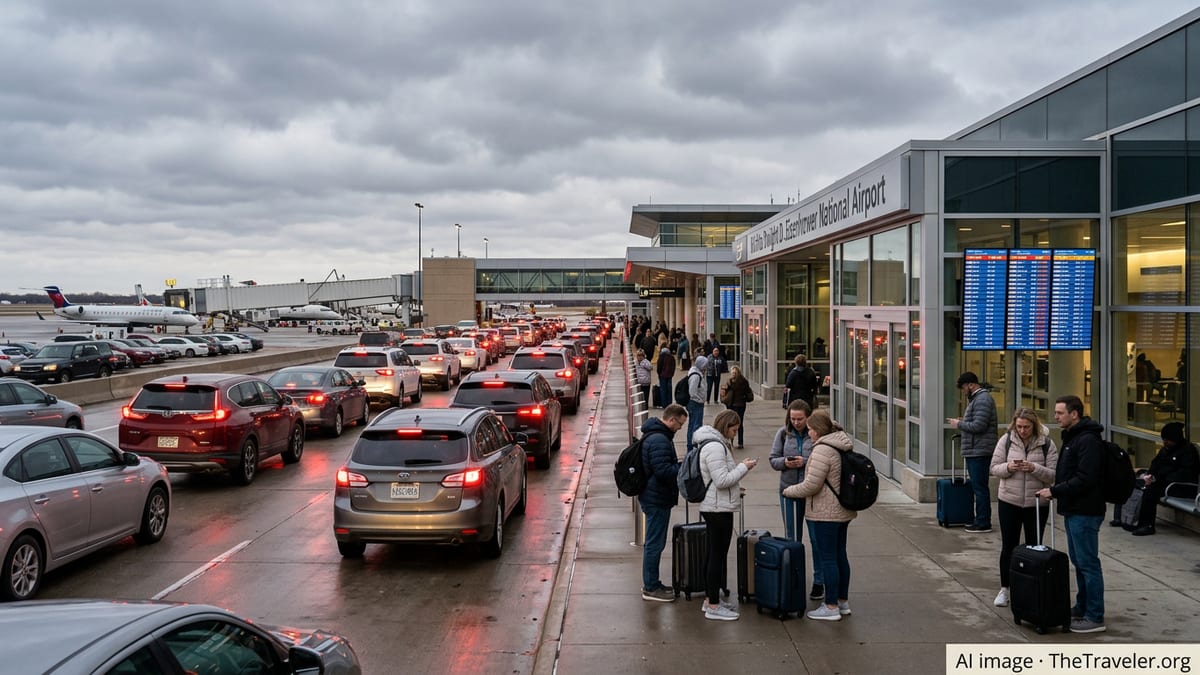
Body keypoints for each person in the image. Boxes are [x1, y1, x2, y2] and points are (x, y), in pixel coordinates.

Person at [1036, 395, 1107, 634]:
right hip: (1074, 508)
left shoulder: (1087, 441)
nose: (1055, 417)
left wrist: (1055, 490)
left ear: (1074, 414)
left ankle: (1094, 615)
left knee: (1088, 563)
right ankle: (1082, 606)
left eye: (1060, 413)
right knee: (1079, 561)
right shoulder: (1073, 438)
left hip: (1085, 510)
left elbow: (1086, 478)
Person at [782, 410, 857, 621]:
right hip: (842, 511)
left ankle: (831, 605)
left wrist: (788, 491)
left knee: (829, 559)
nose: (809, 433)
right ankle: (842, 601)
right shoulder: (840, 443)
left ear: (818, 430)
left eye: (811, 429)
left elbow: (811, 485)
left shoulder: (823, 450)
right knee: (840, 555)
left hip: (826, 513)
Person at [987, 407, 1058, 608]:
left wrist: (1034, 468)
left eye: (1026, 427)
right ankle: (1005, 589)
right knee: (1008, 546)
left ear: (1034, 426)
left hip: (1037, 503)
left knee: (1035, 546)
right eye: (1019, 426)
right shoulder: (1007, 440)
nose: (1022, 430)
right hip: (1009, 500)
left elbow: (1053, 475)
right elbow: (994, 468)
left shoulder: (1047, 444)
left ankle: (1032, 587)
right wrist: (1009, 467)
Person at [694, 409, 757, 621]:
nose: (735, 433)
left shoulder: (714, 443)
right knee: (716, 555)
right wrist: (743, 468)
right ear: (725, 426)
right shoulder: (715, 447)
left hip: (716, 506)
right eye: (734, 429)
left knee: (714, 554)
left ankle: (710, 599)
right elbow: (721, 480)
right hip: (717, 508)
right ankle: (712, 603)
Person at [769, 399, 824, 600]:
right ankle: (794, 578)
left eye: (800, 419)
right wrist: (785, 462)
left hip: (812, 493)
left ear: (808, 418)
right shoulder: (783, 433)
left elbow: (825, 459)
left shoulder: (817, 435)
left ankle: (819, 581)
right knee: (793, 538)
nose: (796, 422)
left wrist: (805, 462)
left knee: (817, 540)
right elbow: (773, 459)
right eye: (793, 418)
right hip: (789, 491)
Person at [638, 404, 688, 602]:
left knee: (654, 542)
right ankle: (650, 586)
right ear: (672, 419)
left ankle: (653, 582)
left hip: (653, 496)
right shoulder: (660, 440)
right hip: (656, 498)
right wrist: (683, 467)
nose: (681, 428)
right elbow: (663, 471)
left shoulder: (657, 435)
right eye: (680, 424)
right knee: (654, 543)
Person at [1119, 422, 1199, 536]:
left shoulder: (1187, 451)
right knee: (1136, 485)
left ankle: (1147, 525)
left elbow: (1185, 474)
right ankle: (1126, 519)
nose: (1165, 442)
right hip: (1165, 482)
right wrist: (1150, 475)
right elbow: (1156, 464)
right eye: (1164, 439)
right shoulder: (1166, 450)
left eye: (1168, 440)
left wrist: (1160, 478)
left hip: (1181, 486)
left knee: (1151, 491)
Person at [948, 371, 998, 533]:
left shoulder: (982, 400)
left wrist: (959, 424)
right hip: (976, 449)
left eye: (963, 388)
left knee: (980, 487)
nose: (963, 391)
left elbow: (979, 426)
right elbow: (977, 422)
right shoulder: (978, 399)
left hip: (979, 450)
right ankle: (981, 519)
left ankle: (983, 522)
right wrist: (963, 422)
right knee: (979, 486)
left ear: (971, 385)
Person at [720, 365, 753, 448]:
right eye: (732, 373)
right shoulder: (729, 381)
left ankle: (740, 442)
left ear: (738, 373)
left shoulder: (742, 382)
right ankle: (730, 440)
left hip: (740, 405)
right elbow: (724, 391)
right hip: (731, 404)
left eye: (735, 373)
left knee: (739, 423)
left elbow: (747, 391)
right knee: (729, 423)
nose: (733, 374)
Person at [685, 355, 708, 452]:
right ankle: (692, 446)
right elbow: (692, 392)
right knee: (695, 425)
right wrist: (699, 399)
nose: (706, 367)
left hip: (696, 403)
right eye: (705, 365)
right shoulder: (695, 375)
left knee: (693, 425)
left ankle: (692, 445)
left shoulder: (698, 373)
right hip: (695, 403)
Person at [656, 346, 675, 410]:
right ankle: (669, 403)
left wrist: (659, 373)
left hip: (662, 375)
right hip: (669, 376)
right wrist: (672, 374)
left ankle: (664, 404)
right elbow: (673, 366)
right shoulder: (671, 357)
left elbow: (659, 367)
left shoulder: (661, 357)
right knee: (669, 390)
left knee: (663, 390)